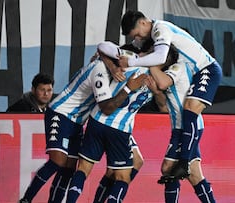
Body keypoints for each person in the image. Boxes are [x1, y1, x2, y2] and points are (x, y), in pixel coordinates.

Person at [18, 43, 144, 203]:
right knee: (58, 160)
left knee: (69, 168)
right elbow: (106, 106)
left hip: (78, 122)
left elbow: (102, 50)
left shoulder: (110, 69)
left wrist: (112, 65)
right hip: (61, 113)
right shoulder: (100, 70)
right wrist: (126, 86)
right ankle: (26, 200)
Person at [65, 41, 178, 203]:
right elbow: (164, 107)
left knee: (83, 169)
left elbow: (103, 46)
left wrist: (111, 65)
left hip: (97, 121)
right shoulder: (160, 80)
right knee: (123, 177)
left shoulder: (132, 58)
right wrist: (111, 66)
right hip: (119, 129)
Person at [119, 10, 222, 184]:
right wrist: (111, 56)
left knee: (190, 107)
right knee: (182, 173)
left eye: (137, 34)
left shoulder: (161, 29)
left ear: (144, 23)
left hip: (207, 69)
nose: (139, 38)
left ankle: (183, 163)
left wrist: (132, 62)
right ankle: (184, 163)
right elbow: (134, 50)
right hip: (195, 76)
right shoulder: (150, 36)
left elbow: (158, 57)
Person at [149, 52, 216, 202]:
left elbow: (162, 83)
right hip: (181, 127)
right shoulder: (169, 72)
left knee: (168, 168)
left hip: (187, 127)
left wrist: (149, 64)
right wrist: (156, 92)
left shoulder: (177, 68)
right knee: (194, 175)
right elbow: (163, 107)